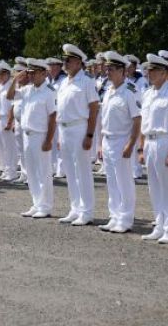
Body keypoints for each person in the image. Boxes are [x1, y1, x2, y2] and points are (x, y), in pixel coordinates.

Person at [139, 54, 168, 243]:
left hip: (165, 141)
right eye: (148, 71)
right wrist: (141, 148)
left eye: (153, 71)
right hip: (150, 141)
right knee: (155, 187)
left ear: (164, 73)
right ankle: (160, 224)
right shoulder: (148, 93)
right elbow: (144, 122)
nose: (149, 74)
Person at [55, 44, 100, 225]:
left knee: (83, 171)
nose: (65, 63)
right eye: (64, 60)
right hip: (64, 129)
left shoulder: (87, 81)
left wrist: (89, 135)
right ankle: (75, 208)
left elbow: (94, 108)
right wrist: (59, 135)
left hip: (79, 128)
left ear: (78, 62)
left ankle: (86, 211)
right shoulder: (64, 82)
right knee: (70, 172)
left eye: (68, 60)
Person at [8, 58, 56, 218]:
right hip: (27, 134)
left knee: (44, 172)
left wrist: (48, 140)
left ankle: (46, 206)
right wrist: (15, 78)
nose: (31, 75)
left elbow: (52, 117)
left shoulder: (49, 91)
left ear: (43, 73)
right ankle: (36, 203)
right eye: (29, 72)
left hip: (41, 135)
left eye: (34, 72)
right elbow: (9, 96)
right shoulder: (28, 90)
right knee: (32, 173)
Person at [98, 51, 140, 233]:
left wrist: (131, 144)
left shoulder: (130, 91)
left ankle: (126, 218)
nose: (108, 72)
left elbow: (137, 120)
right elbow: (104, 118)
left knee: (124, 181)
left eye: (112, 69)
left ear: (123, 71)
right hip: (108, 139)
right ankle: (114, 216)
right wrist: (100, 143)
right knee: (111, 181)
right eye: (107, 68)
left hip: (122, 139)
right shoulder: (108, 90)